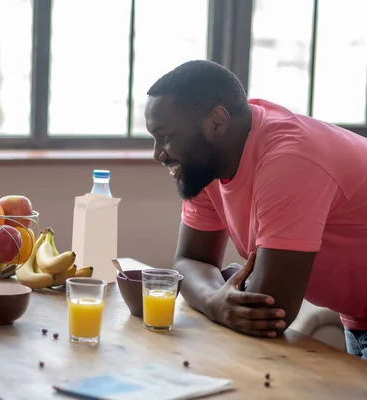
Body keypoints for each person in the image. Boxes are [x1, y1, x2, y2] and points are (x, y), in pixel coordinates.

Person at [144, 60, 367, 359]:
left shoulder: (289, 160)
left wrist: (224, 292)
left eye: (167, 137)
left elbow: (269, 310)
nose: (158, 154)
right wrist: (214, 299)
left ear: (217, 122)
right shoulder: (205, 164)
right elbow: (188, 261)